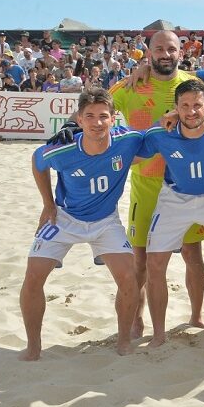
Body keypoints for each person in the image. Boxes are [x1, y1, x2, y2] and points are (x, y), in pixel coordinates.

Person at [109, 31, 204, 338]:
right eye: (159, 48)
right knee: (140, 260)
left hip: (187, 185)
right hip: (145, 184)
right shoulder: (130, 86)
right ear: (148, 52)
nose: (165, 54)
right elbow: (100, 104)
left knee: (192, 254)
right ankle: (137, 320)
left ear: (181, 52)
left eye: (171, 48)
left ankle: (196, 317)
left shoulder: (194, 86)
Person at [21, 89, 140, 360]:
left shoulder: (128, 139)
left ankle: (123, 341)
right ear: (80, 119)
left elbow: (157, 135)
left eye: (103, 116)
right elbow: (38, 161)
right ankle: (33, 347)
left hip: (106, 220)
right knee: (33, 276)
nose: (97, 122)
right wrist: (48, 203)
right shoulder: (63, 147)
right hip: (64, 218)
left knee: (128, 277)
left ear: (113, 118)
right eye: (90, 116)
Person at [137, 80, 204, 351]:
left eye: (197, 105)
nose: (191, 112)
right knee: (155, 264)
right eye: (184, 106)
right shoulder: (162, 132)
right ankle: (159, 333)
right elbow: (131, 152)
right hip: (175, 198)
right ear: (175, 108)